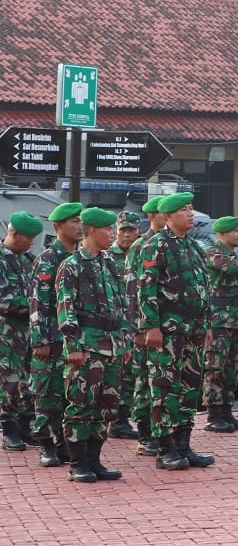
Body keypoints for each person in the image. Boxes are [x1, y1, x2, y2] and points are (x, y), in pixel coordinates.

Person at [139, 191, 215, 470]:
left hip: (193, 329)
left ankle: (184, 445)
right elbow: (146, 289)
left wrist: (206, 323)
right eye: (184, 209)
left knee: (189, 388)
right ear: (169, 217)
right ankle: (165, 448)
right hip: (168, 329)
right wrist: (151, 326)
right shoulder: (156, 245)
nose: (190, 213)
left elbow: (203, 289)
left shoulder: (193, 247)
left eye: (191, 208)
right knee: (165, 387)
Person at [57, 207, 131, 483]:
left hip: (112, 346)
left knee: (107, 405)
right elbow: (66, 307)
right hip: (87, 346)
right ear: (92, 231)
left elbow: (122, 305)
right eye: (108, 230)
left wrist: (124, 343)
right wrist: (73, 345)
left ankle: (94, 460)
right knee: (81, 403)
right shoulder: (73, 265)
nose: (112, 235)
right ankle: (77, 463)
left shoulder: (109, 262)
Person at [30, 201, 82, 468]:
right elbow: (38, 302)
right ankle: (47, 445)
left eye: (81, 220)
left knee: (69, 393)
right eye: (73, 221)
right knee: (47, 393)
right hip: (51, 338)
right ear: (58, 226)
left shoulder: (82, 258)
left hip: (73, 339)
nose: (80, 226)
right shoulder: (48, 259)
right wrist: (40, 340)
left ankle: (64, 444)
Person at [201, 216, 238, 434]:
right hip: (218, 320)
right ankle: (214, 414)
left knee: (234, 366)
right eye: (235, 231)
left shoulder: (235, 254)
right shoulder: (214, 252)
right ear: (222, 234)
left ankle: (227, 411)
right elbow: (235, 269)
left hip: (236, 319)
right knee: (215, 367)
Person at [126, 196, 166, 457]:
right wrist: (138, 329)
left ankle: (162, 432)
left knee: (163, 382)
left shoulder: (171, 243)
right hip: (145, 327)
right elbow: (132, 290)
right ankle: (145, 434)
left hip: (167, 328)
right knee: (144, 380)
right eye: (165, 212)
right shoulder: (141, 245)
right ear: (153, 216)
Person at [0, 211, 41, 451]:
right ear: (13, 233)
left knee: (30, 379)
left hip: (29, 331)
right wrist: (35, 306)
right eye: (27, 238)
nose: (31, 242)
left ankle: (25, 425)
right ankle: (9, 430)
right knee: (9, 381)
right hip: (6, 333)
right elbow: (4, 299)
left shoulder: (28, 259)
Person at [103, 211, 141, 441]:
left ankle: (124, 418)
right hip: (116, 325)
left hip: (137, 324)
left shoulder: (142, 253)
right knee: (119, 374)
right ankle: (116, 420)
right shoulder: (108, 256)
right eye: (123, 230)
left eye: (131, 230)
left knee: (132, 373)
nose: (127, 235)